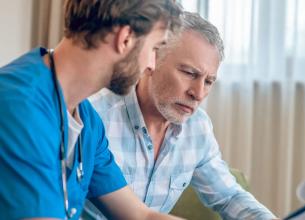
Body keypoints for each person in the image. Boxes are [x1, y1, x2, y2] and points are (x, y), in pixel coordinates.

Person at [0, 0, 184, 219]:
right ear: (125, 39)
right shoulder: (19, 107)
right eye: (154, 48)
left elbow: (140, 215)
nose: (152, 65)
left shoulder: (87, 120)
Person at [88, 11, 277, 220]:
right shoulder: (95, 115)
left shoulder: (198, 127)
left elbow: (229, 197)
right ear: (153, 57)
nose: (198, 93)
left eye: (208, 81)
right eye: (189, 73)